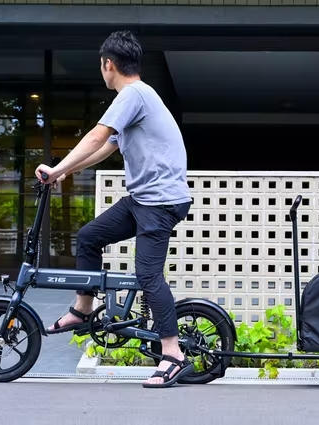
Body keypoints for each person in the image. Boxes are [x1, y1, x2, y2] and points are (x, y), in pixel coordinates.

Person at [34, 30, 193, 389]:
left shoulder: (133, 94)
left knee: (148, 275)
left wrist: (56, 169)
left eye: (101, 66)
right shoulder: (139, 97)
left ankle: (173, 355)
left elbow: (96, 135)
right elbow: (106, 147)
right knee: (89, 237)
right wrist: (66, 172)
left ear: (108, 64)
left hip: (160, 202)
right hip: (142, 200)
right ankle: (83, 309)